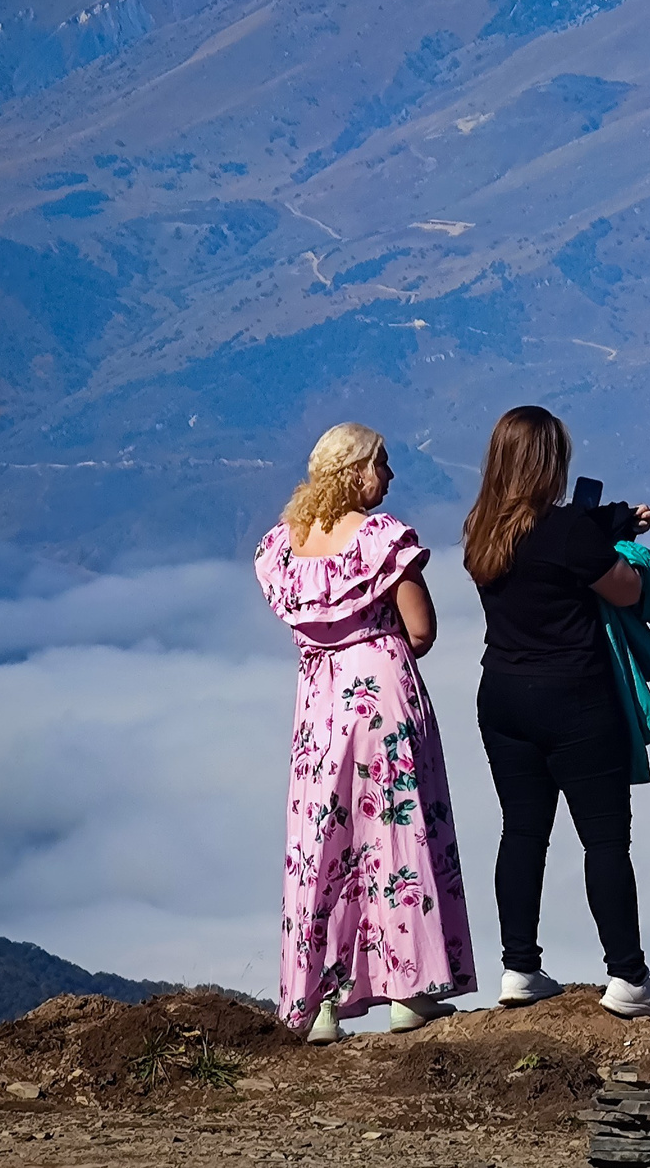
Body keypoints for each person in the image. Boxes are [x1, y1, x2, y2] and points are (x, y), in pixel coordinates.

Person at [254, 422, 474, 1045]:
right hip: (380, 694)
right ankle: (411, 989)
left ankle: (318, 1001)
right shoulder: (382, 540)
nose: (391, 477)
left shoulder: (283, 547)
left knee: (322, 841)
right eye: (382, 464)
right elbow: (422, 628)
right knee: (396, 833)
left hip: (319, 701)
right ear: (356, 473)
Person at [464, 404, 650, 1018]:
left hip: (502, 696)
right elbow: (628, 589)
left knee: (523, 831)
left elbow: (555, 545)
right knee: (606, 840)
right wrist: (616, 533)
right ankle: (628, 977)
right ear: (548, 463)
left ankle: (518, 968)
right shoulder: (567, 533)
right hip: (576, 699)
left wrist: (601, 522)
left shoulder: (481, 528)